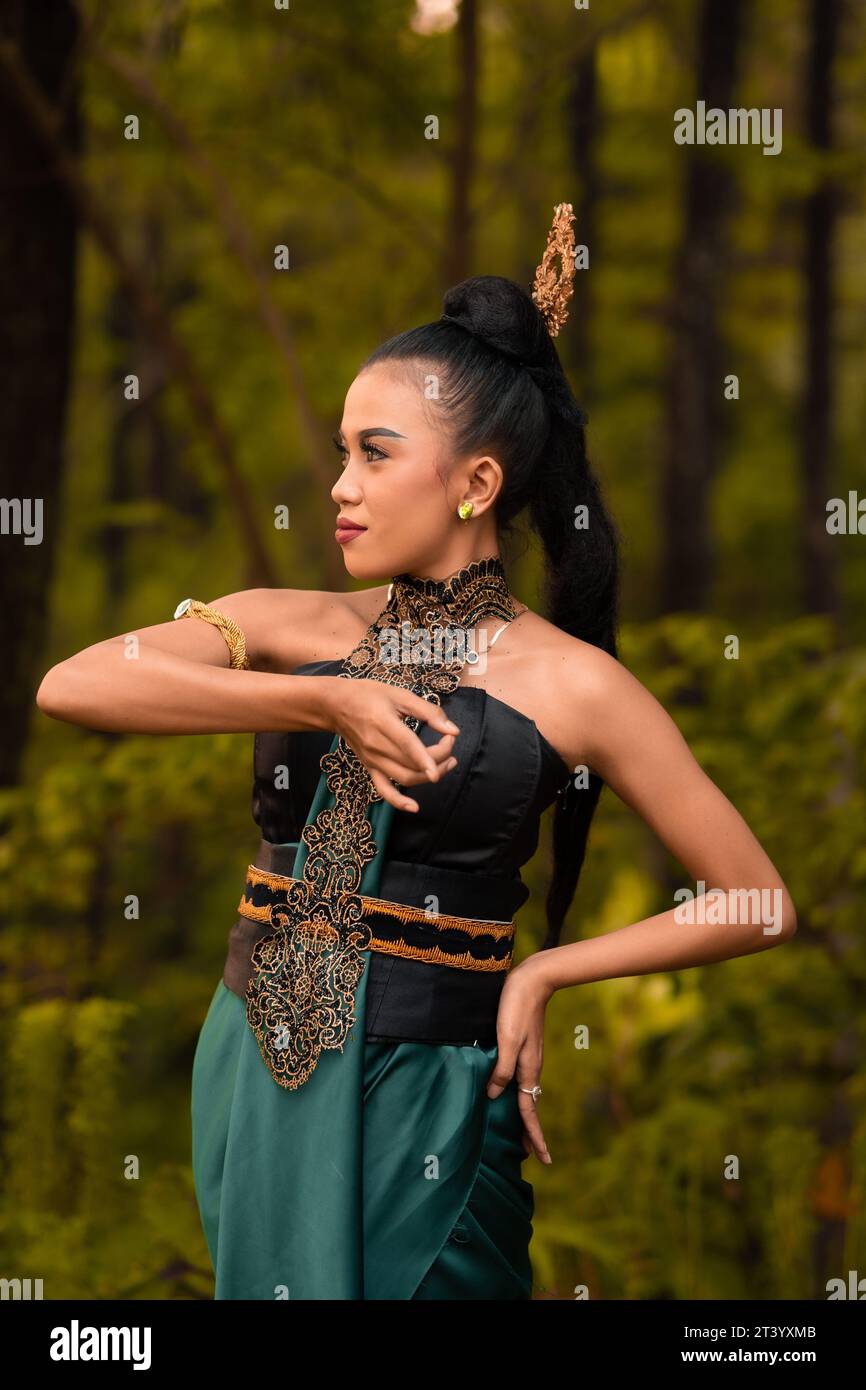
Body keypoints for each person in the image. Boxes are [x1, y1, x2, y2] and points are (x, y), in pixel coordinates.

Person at [36, 206, 797, 1301]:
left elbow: (753, 898)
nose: (339, 485)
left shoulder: (571, 682)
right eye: (342, 452)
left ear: (474, 484)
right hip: (260, 1063)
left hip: (437, 1093)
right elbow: (77, 684)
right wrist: (325, 708)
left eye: (373, 454)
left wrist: (547, 968)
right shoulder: (297, 626)